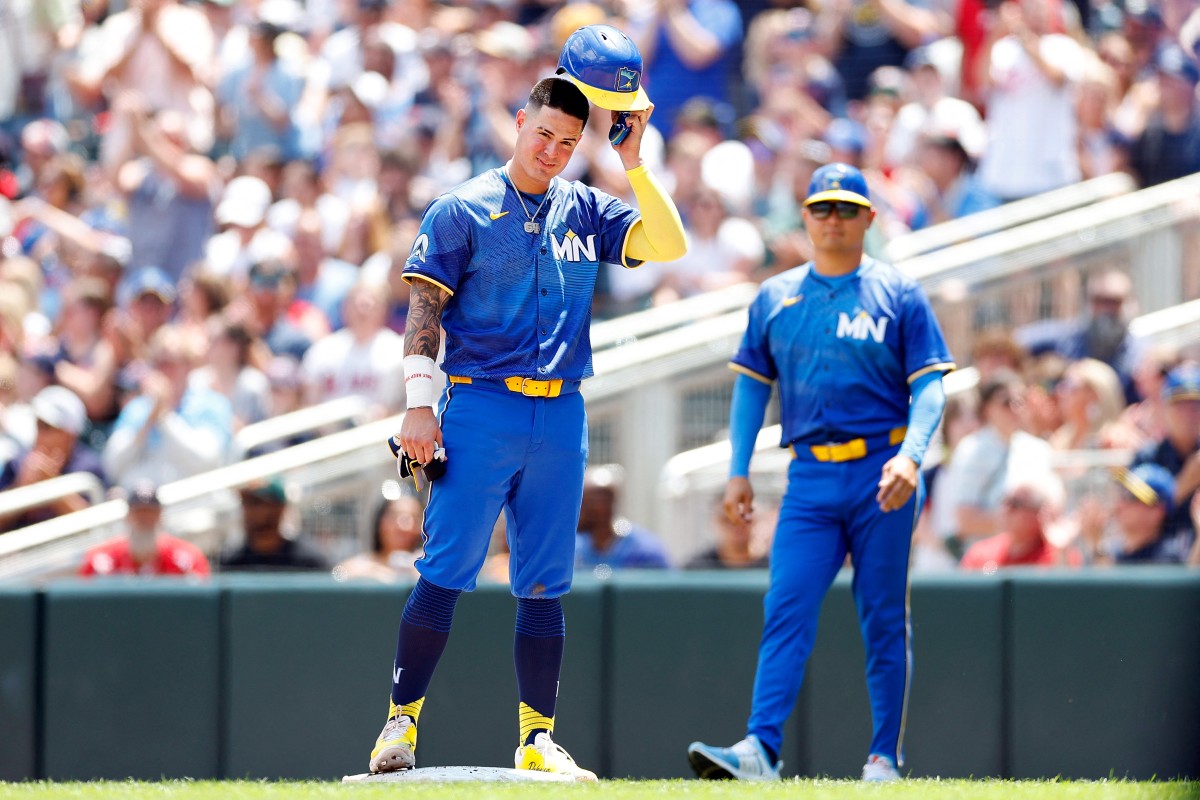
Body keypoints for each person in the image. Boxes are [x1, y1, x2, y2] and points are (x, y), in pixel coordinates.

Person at [368, 55, 686, 781]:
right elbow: (424, 309)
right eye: (543, 134)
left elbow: (668, 245)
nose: (552, 151)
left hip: (562, 411)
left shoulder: (583, 206)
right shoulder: (463, 207)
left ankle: (537, 738)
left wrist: (633, 162)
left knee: (544, 583)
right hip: (480, 402)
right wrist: (420, 404)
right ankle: (400, 724)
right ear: (519, 123)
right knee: (446, 569)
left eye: (567, 142)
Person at [686, 163, 953, 783]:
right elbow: (752, 390)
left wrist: (912, 456)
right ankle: (761, 750)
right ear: (804, 216)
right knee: (786, 605)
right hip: (809, 477)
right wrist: (737, 470)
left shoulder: (898, 292)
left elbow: (931, 388)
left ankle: (884, 757)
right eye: (821, 208)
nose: (833, 219)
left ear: (868, 217)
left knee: (883, 614)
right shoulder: (776, 297)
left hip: (880, 472)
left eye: (845, 208)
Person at [79, 481, 210, 576]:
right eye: (139, 512)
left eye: (150, 512)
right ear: (128, 515)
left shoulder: (186, 557)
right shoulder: (102, 558)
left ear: (160, 515)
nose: (144, 519)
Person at [959, 474, 1081, 571]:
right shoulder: (981, 553)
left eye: (1015, 503)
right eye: (1004, 499)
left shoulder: (1059, 555)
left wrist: (1062, 552)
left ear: (1043, 513)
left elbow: (1065, 595)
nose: (1005, 508)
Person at [218, 477, 330, 572]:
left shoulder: (308, 560)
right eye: (244, 502)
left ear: (279, 508)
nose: (247, 510)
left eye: (255, 502)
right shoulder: (232, 560)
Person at [574, 464, 672, 572]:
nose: (577, 512)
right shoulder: (574, 548)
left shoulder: (645, 550)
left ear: (601, 506)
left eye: (583, 504)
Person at [334, 494, 425, 583]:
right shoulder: (359, 566)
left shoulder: (426, 568)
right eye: (394, 516)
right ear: (379, 521)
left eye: (415, 518)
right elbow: (340, 575)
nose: (404, 527)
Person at [684, 497, 771, 569]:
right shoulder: (697, 567)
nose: (738, 527)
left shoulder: (775, 567)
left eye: (746, 519)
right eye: (728, 520)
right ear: (715, 523)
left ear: (759, 521)